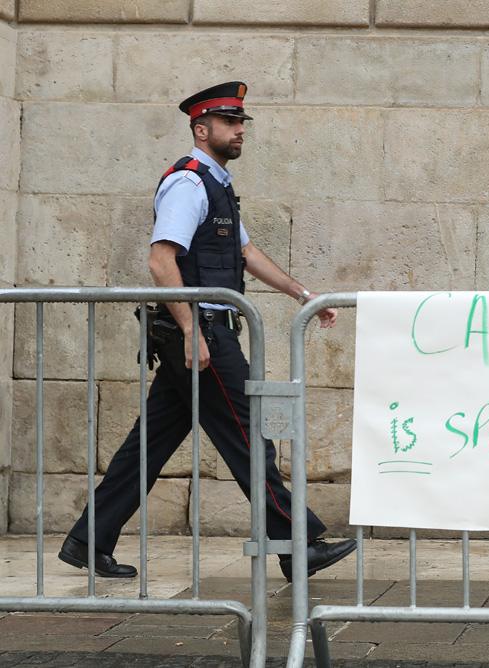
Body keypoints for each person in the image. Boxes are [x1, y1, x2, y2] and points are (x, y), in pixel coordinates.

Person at [58, 82, 355, 582]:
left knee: (147, 446)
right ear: (202, 128)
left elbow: (247, 254)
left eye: (242, 122)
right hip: (202, 336)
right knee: (248, 436)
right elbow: (160, 260)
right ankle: (296, 544)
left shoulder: (216, 185)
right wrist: (192, 328)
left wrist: (304, 295)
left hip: (201, 333)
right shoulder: (189, 183)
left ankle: (87, 541)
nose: (240, 130)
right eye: (230, 122)